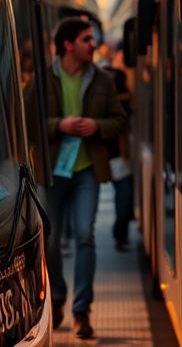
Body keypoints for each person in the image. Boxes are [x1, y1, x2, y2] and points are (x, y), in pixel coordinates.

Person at [39, 17, 127, 338]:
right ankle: (58, 295)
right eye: (87, 39)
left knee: (85, 236)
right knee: (49, 239)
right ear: (68, 45)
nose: (94, 45)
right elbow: (22, 118)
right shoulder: (42, 77)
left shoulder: (103, 80)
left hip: (87, 169)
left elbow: (119, 120)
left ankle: (81, 310)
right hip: (51, 172)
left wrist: (97, 127)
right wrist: (57, 126)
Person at [105, 44, 134, 251]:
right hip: (95, 152)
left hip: (117, 154)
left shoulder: (120, 80)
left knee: (124, 196)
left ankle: (120, 235)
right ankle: (120, 234)